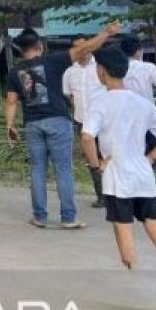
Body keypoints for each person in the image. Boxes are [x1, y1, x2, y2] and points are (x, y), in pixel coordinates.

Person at [5, 22, 120, 229]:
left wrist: (10, 126)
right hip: (58, 121)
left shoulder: (15, 71)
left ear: (21, 50)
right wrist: (106, 33)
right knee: (63, 169)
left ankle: (40, 216)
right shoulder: (53, 60)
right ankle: (68, 217)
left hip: (32, 124)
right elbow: (84, 49)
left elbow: (11, 101)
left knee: (38, 169)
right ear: (39, 45)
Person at [81, 46, 156, 269]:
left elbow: (87, 137)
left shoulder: (100, 103)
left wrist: (96, 165)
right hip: (143, 174)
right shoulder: (142, 103)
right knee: (155, 227)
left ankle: (135, 275)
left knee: (123, 229)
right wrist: (151, 158)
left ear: (102, 71)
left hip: (117, 176)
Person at [118, 33, 156, 207]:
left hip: (127, 119)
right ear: (138, 51)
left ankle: (133, 195)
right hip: (149, 117)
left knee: (131, 156)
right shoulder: (148, 68)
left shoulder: (119, 69)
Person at [61, 36, 106, 208]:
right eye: (77, 48)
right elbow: (69, 96)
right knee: (92, 158)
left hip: (104, 121)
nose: (82, 50)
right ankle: (101, 195)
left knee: (109, 156)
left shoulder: (101, 68)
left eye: (85, 46)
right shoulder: (69, 72)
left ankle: (116, 194)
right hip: (83, 121)